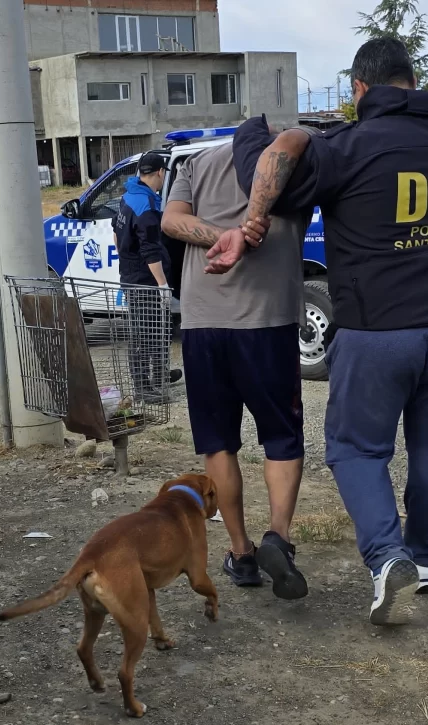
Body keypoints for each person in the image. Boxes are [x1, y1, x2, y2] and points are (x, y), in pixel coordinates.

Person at [208, 37, 428, 625]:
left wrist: (254, 134)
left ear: (360, 89)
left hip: (382, 327)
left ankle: (389, 558)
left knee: (355, 447)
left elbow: (266, 176)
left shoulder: (348, 146)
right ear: (411, 81)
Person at [161, 138, 314, 600]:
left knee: (218, 443)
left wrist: (218, 234)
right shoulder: (299, 160)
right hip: (267, 322)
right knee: (282, 438)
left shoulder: (195, 161)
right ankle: (279, 539)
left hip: (204, 322)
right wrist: (244, 234)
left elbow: (170, 221)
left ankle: (241, 552)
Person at [113, 152, 182, 402]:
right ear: (161, 173)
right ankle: (143, 388)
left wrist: (125, 259)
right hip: (144, 280)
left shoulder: (129, 196)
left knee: (158, 329)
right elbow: (150, 249)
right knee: (145, 333)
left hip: (133, 273)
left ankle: (159, 375)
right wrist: (162, 284)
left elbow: (116, 231)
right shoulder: (146, 206)